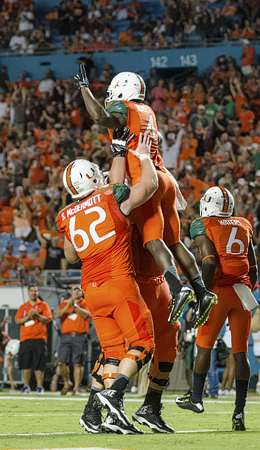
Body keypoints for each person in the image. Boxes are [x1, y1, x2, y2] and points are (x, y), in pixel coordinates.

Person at [75, 64, 217, 328]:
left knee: (153, 241)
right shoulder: (147, 110)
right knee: (174, 242)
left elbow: (101, 118)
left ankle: (177, 289)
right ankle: (202, 291)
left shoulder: (124, 108)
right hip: (163, 176)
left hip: (145, 180)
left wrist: (84, 89)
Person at [58, 132, 158, 435]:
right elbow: (149, 186)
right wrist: (142, 157)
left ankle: (92, 414)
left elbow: (71, 254)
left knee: (113, 353)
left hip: (91, 289)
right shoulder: (110, 196)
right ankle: (114, 396)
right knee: (144, 344)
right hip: (118, 282)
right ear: (91, 178)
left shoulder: (65, 215)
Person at [176, 186, 257, 432]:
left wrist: (203, 294)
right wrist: (246, 286)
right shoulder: (243, 223)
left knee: (204, 346)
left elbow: (209, 261)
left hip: (219, 291)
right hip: (242, 292)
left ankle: (197, 398)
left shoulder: (202, 223)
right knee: (240, 353)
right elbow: (253, 265)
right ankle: (239, 412)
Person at [129, 225, 179, 433]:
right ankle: (103, 407)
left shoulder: (164, 205)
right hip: (134, 281)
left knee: (169, 342)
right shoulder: (132, 203)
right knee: (125, 346)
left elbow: (175, 246)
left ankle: (151, 406)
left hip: (161, 282)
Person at [14, 285, 52, 394]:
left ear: (38, 292)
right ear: (28, 292)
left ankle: (40, 387)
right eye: (31, 291)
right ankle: (26, 386)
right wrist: (28, 316)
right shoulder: (23, 307)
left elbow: (47, 319)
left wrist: (36, 315)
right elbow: (18, 321)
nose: (34, 293)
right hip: (25, 339)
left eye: (35, 291)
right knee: (25, 364)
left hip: (39, 338)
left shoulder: (43, 305)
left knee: (39, 364)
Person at [56, 285, 90, 396]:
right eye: (74, 290)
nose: (76, 292)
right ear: (70, 292)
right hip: (65, 336)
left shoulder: (85, 302)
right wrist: (67, 307)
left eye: (79, 290)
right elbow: (58, 315)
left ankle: (76, 388)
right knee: (61, 362)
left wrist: (75, 306)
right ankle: (67, 382)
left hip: (79, 336)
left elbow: (86, 314)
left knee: (77, 363)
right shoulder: (64, 303)